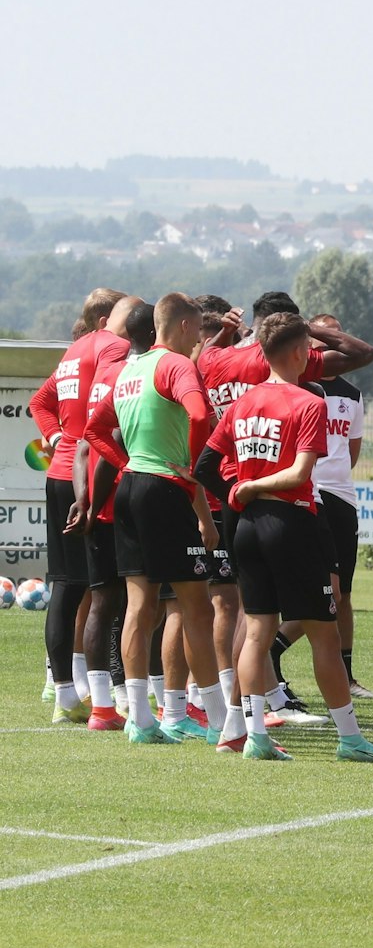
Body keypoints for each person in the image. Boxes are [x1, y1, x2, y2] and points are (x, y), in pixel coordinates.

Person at [195, 312, 373, 763]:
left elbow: (204, 466)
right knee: (324, 631)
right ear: (301, 352)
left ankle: (254, 734)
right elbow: (302, 473)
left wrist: (239, 494)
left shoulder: (244, 403)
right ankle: (350, 739)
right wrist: (258, 488)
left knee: (258, 629)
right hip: (293, 523)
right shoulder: (308, 402)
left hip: (245, 528)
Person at [81, 291, 228, 746]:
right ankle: (224, 723)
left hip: (131, 491)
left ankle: (141, 720)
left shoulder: (131, 368)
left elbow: (93, 429)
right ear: (185, 326)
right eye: (198, 329)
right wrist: (196, 466)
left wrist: (126, 463)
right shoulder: (176, 365)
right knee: (197, 607)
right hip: (164, 490)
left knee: (140, 608)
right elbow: (200, 412)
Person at [33, 288, 129, 724]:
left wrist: (56, 439)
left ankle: (66, 691)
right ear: (109, 317)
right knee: (107, 588)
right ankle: (117, 692)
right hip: (92, 476)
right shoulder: (113, 346)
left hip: (60, 475)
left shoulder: (73, 351)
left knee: (67, 586)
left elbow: (41, 402)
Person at [270, 315, 372, 701]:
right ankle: (269, 653)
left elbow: (351, 450)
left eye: (335, 333)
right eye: (319, 334)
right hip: (308, 492)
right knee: (320, 592)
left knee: (342, 593)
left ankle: (345, 676)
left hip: (340, 496)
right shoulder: (294, 386)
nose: (329, 344)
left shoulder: (351, 392)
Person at [64, 295, 146, 731]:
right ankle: (140, 701)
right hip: (123, 504)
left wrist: (82, 500)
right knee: (139, 604)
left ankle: (103, 706)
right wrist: (96, 502)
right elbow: (111, 439)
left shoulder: (104, 373)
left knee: (103, 604)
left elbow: (82, 444)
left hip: (98, 503)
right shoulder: (135, 373)